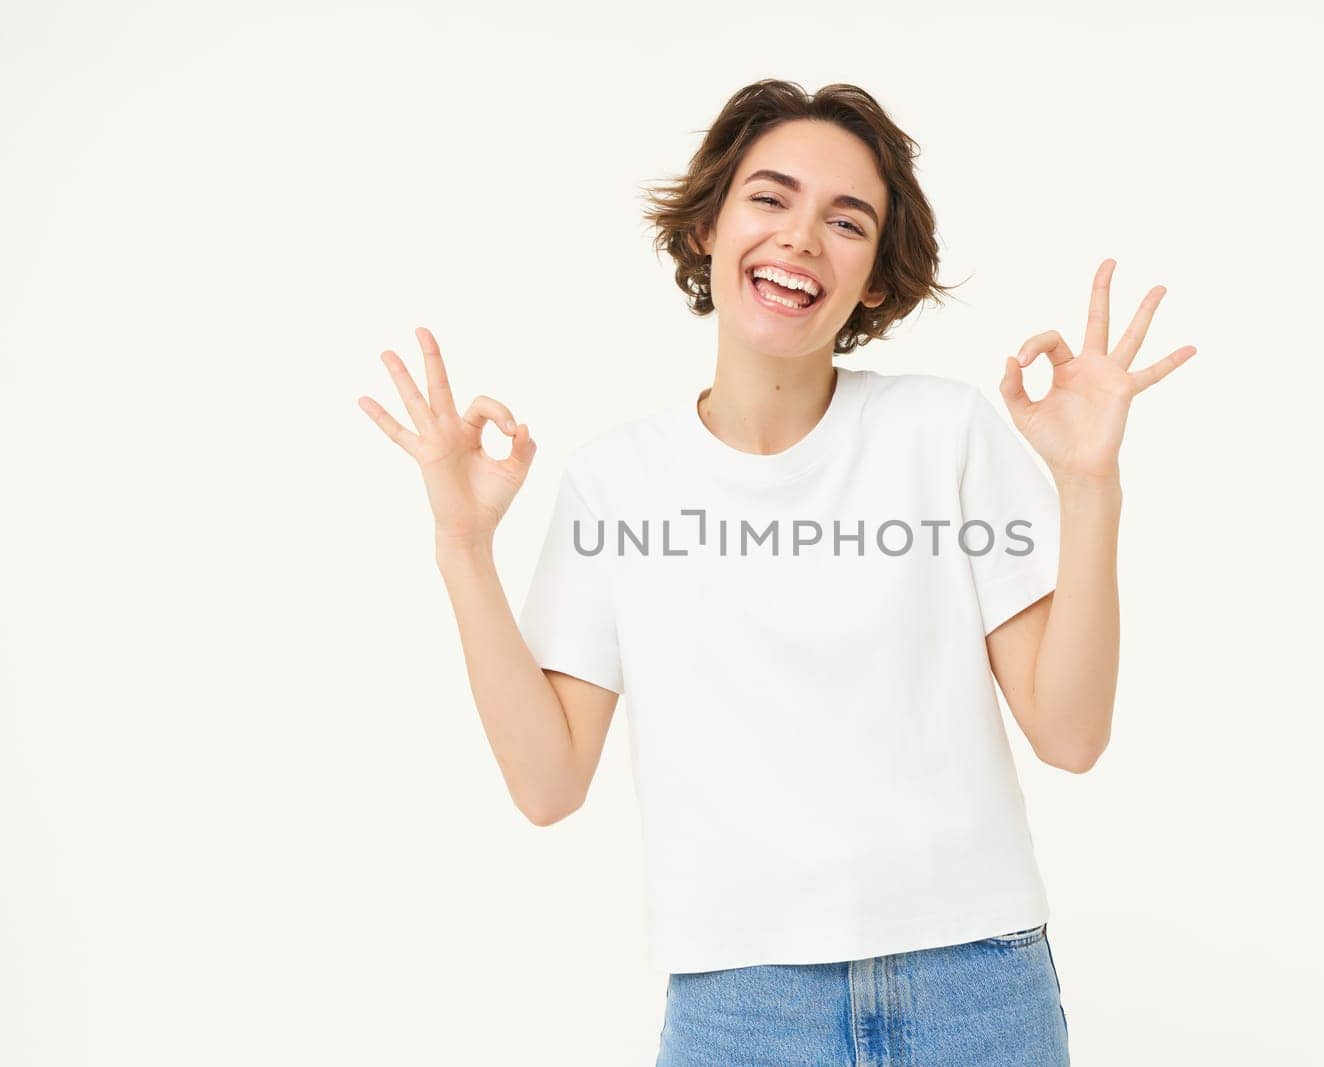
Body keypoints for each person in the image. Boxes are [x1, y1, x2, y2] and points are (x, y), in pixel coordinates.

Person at [357, 79, 1195, 1066]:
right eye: (771, 197)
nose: (801, 237)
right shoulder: (616, 483)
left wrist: (1088, 483)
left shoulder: (944, 433)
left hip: (976, 986)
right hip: (739, 1007)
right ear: (709, 226)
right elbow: (546, 782)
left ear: (874, 278)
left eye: (846, 220)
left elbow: (1070, 731)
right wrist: (461, 544)